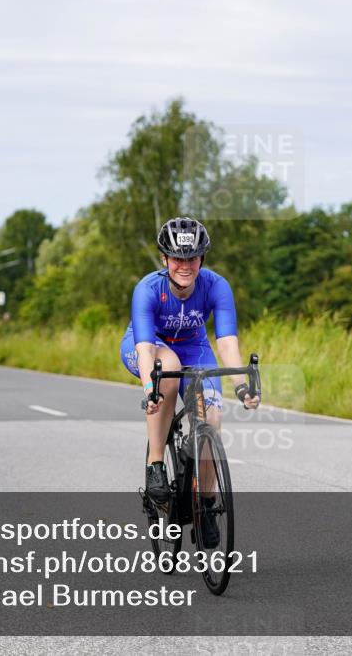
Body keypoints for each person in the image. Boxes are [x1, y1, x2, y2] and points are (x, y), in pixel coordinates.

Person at [120, 217, 260, 544]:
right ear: (165, 259)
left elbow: (226, 342)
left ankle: (206, 502)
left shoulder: (216, 286)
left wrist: (241, 385)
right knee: (166, 368)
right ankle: (157, 464)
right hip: (149, 344)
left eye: (192, 258)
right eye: (178, 258)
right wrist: (149, 389)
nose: (185, 265)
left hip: (194, 346)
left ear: (202, 259)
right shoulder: (147, 289)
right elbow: (143, 349)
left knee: (212, 415)